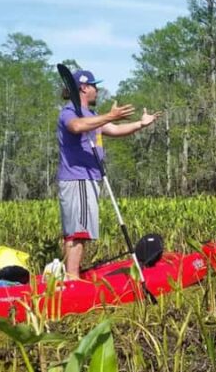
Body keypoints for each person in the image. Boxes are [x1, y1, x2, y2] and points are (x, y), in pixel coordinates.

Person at [57, 70, 162, 279]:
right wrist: (110, 115)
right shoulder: (69, 112)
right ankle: (72, 278)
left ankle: (71, 275)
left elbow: (113, 129)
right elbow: (76, 126)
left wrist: (140, 124)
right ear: (84, 88)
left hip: (88, 178)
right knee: (78, 232)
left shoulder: (92, 115)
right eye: (94, 86)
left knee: (79, 231)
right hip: (79, 177)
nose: (97, 90)